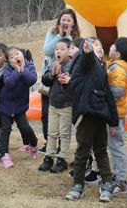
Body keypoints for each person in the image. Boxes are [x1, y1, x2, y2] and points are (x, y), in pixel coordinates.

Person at [66, 37, 119, 203]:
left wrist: (113, 121)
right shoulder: (86, 62)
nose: (100, 48)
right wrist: (87, 50)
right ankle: (78, 185)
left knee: (101, 151)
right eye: (96, 46)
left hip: (100, 116)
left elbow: (109, 95)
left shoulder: (102, 66)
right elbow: (86, 57)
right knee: (82, 151)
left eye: (101, 45)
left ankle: (107, 184)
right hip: (87, 113)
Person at [40, 8, 80, 151]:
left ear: (73, 24)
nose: (65, 22)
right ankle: (49, 143)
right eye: (63, 19)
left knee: (64, 116)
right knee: (46, 113)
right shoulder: (52, 32)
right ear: (59, 20)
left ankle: (61, 148)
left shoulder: (75, 38)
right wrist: (60, 36)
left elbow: (74, 56)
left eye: (69, 20)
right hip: (49, 75)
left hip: (65, 79)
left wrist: (68, 37)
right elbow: (47, 51)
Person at [106, 36, 127, 195]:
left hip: (115, 114)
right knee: (114, 145)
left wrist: (101, 93)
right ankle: (117, 175)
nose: (110, 47)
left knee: (116, 146)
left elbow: (117, 92)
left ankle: (121, 181)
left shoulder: (118, 69)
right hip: (115, 113)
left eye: (113, 46)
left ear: (118, 54)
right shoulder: (116, 66)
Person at [0, 47, 40, 168]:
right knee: (5, 129)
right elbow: (9, 83)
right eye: (11, 57)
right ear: (9, 62)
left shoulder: (30, 66)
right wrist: (17, 71)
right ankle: (4, 154)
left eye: (17, 54)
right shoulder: (8, 69)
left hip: (20, 105)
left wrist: (23, 70)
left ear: (22, 55)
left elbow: (32, 80)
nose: (15, 57)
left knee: (25, 127)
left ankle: (34, 144)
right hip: (6, 104)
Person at [38, 39, 73, 174]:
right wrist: (52, 74)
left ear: (69, 52)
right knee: (51, 132)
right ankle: (49, 157)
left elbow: (72, 86)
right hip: (53, 104)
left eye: (62, 49)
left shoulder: (72, 67)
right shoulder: (52, 64)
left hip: (66, 105)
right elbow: (45, 81)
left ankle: (62, 159)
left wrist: (64, 77)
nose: (58, 51)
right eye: (57, 49)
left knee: (64, 134)